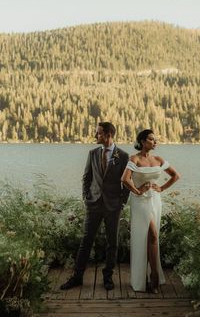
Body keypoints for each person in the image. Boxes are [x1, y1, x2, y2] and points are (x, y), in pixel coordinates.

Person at [61, 122, 129, 291]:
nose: (95, 136)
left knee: (112, 243)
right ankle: (77, 277)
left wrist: (122, 201)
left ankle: (108, 278)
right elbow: (86, 178)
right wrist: (86, 197)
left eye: (98, 133)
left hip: (113, 206)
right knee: (86, 241)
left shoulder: (123, 156)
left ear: (108, 135)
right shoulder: (92, 154)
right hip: (94, 204)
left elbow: (126, 182)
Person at [121, 129, 180, 293]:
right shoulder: (135, 159)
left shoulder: (158, 159)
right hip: (140, 202)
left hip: (155, 200)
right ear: (142, 141)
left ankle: (152, 275)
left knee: (152, 238)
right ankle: (152, 276)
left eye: (156, 140)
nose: (155, 142)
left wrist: (161, 187)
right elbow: (125, 179)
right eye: (151, 139)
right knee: (151, 235)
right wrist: (137, 190)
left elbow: (175, 176)